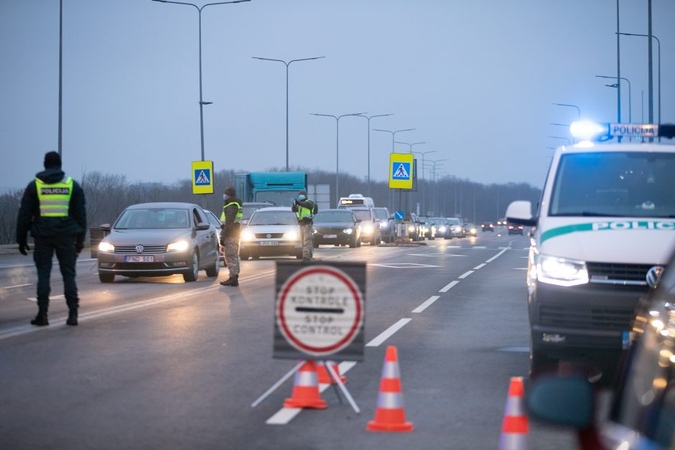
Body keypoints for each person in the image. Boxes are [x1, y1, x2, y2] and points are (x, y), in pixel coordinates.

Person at [16, 151, 87, 326]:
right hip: (66, 236)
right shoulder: (72, 186)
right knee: (68, 275)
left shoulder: (35, 186)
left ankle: (43, 314)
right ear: (60, 165)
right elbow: (81, 215)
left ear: (45, 164)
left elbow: (24, 214)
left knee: (43, 275)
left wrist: (21, 239)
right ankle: (73, 314)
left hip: (43, 236)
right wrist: (80, 239)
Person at [219, 186, 243, 287]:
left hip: (231, 234)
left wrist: (223, 238)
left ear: (229, 195)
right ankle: (234, 277)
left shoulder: (231, 206)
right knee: (234, 256)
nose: (224, 196)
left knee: (230, 256)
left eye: (225, 194)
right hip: (234, 233)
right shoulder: (234, 204)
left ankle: (233, 278)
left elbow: (228, 224)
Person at [291, 190, 317, 262]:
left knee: (307, 241)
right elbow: (294, 210)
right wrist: (294, 205)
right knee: (303, 241)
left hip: (307, 224)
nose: (300, 196)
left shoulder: (309, 202)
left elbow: (306, 205)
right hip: (301, 224)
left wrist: (298, 202)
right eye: (300, 194)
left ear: (305, 195)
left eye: (302, 194)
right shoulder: (300, 205)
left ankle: (306, 257)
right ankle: (305, 255)